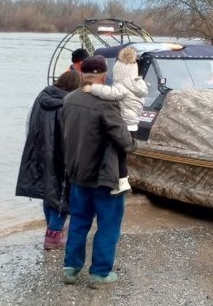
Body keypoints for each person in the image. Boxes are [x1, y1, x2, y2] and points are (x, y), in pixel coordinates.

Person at [61, 55, 137, 288]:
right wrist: (133, 144)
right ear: (104, 76)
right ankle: (100, 273)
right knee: (108, 225)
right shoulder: (106, 103)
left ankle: (71, 269)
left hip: (77, 174)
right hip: (105, 177)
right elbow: (123, 140)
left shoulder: (69, 99)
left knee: (79, 222)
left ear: (82, 74)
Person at [15, 71, 82, 250]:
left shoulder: (42, 97)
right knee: (62, 194)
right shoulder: (68, 103)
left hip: (39, 153)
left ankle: (51, 230)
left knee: (47, 192)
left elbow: (30, 122)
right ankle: (53, 235)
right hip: (61, 156)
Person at [83, 46, 147, 195]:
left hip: (124, 125)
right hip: (133, 126)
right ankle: (123, 181)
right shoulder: (139, 86)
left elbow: (109, 92)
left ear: (119, 73)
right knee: (121, 156)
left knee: (117, 156)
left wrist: (92, 88)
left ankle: (121, 182)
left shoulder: (122, 87)